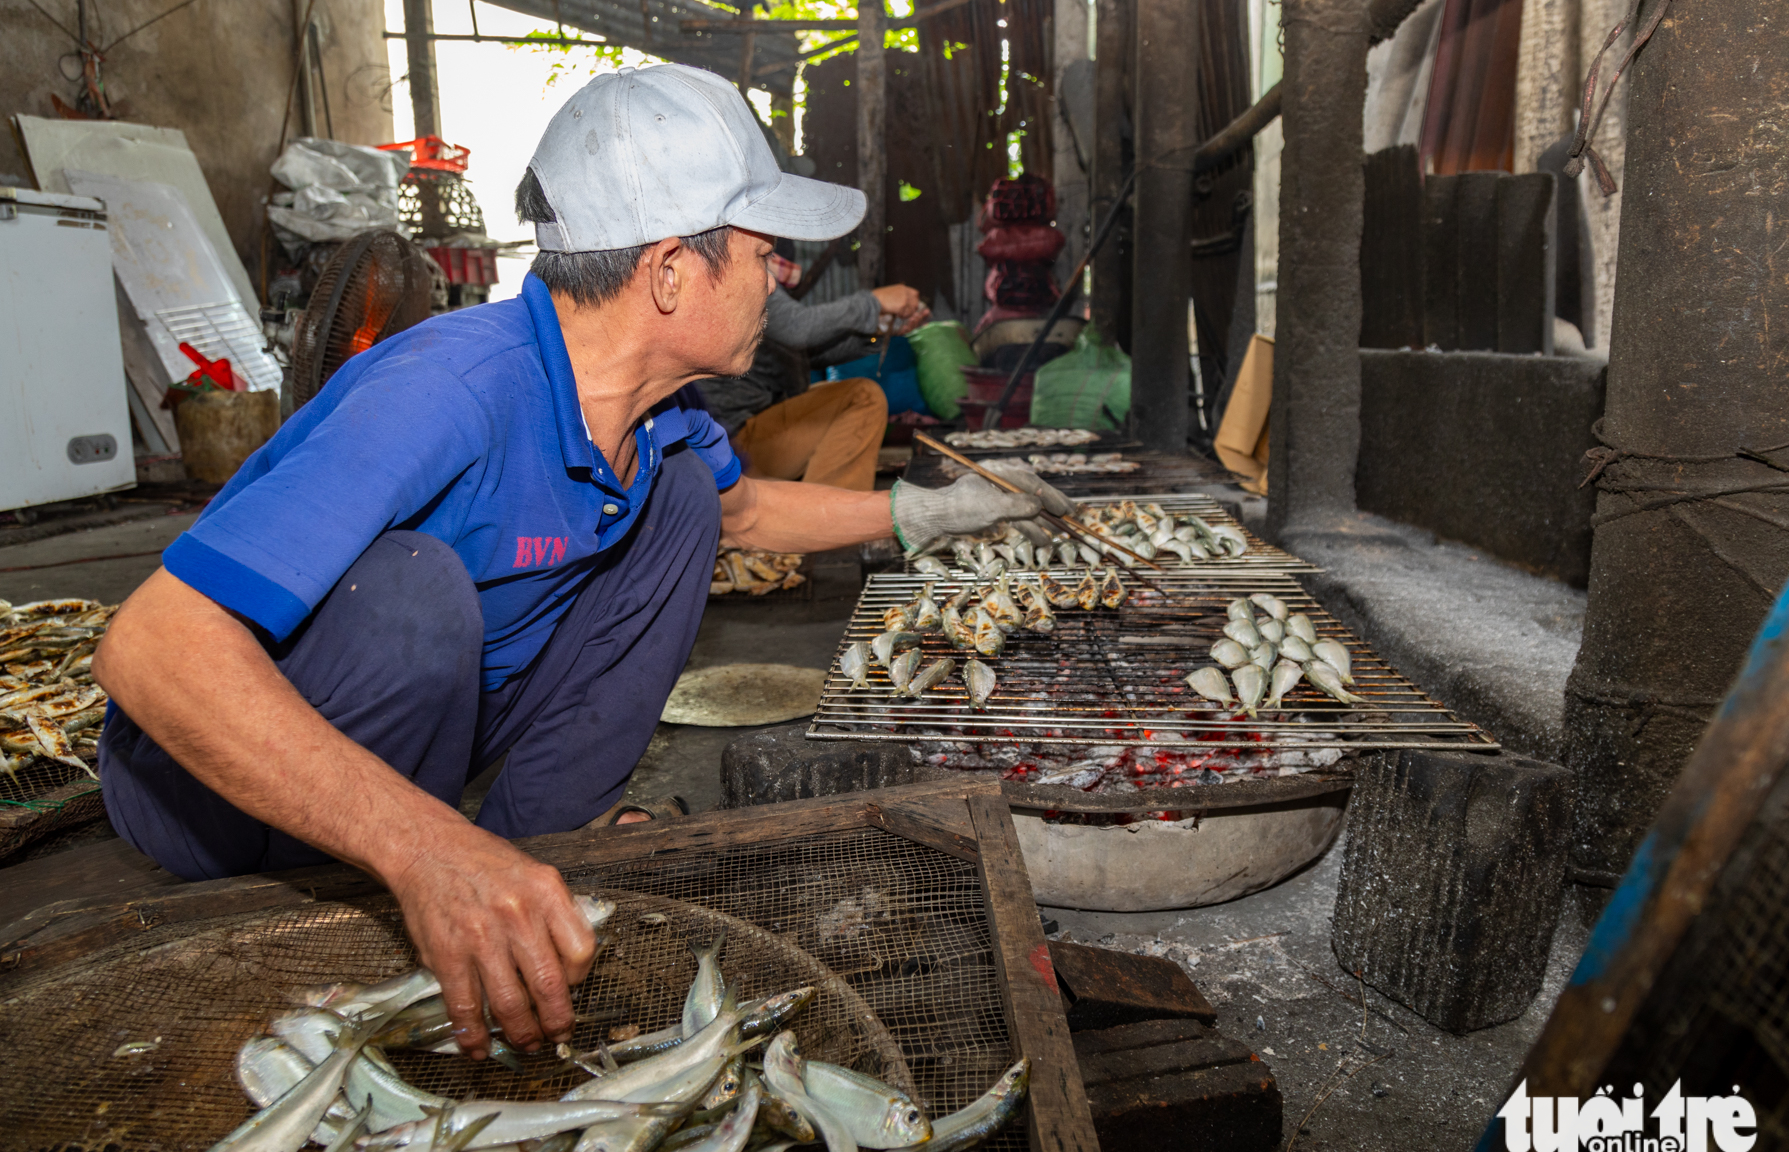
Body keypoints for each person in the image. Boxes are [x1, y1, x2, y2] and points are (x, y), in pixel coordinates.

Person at [92, 64, 1065, 1063]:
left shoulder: (659, 415)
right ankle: (382, 892)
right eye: (763, 251)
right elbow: (151, 649)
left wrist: (920, 512)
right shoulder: (446, 390)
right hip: (212, 790)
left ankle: (539, 850)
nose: (779, 278)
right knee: (414, 593)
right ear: (670, 270)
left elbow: (748, 512)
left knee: (684, 499)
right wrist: (425, 848)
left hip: (428, 731)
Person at [696, 277, 930, 491]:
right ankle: (829, 516)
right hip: (730, 442)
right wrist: (874, 302)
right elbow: (799, 328)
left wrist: (879, 329)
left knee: (828, 393)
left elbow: (808, 353)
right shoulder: (737, 270)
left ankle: (819, 504)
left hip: (749, 429)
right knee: (863, 397)